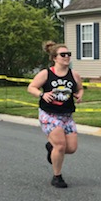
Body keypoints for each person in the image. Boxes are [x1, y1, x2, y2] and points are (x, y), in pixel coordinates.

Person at [27, 42, 83, 188]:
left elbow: (80, 88)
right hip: (49, 114)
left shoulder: (74, 75)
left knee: (71, 148)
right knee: (60, 145)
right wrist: (42, 94)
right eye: (63, 55)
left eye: (68, 54)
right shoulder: (46, 73)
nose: (66, 57)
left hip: (67, 115)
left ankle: (51, 148)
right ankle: (57, 177)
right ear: (54, 58)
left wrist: (79, 95)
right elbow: (31, 87)